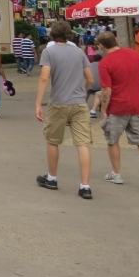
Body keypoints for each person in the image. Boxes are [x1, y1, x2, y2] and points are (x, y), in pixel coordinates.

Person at [95, 31, 139, 189]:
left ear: (101, 46)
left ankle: (116, 173)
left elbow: (106, 91)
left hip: (118, 107)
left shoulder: (105, 63)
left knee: (113, 140)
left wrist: (104, 110)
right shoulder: (133, 54)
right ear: (116, 40)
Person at [35, 21, 95, 199]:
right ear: (69, 34)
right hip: (78, 103)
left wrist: (38, 103)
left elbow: (44, 78)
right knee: (82, 143)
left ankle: (52, 178)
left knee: (53, 140)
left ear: (52, 34)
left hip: (58, 102)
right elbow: (90, 79)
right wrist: (83, 93)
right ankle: (85, 186)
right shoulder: (79, 52)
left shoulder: (49, 52)